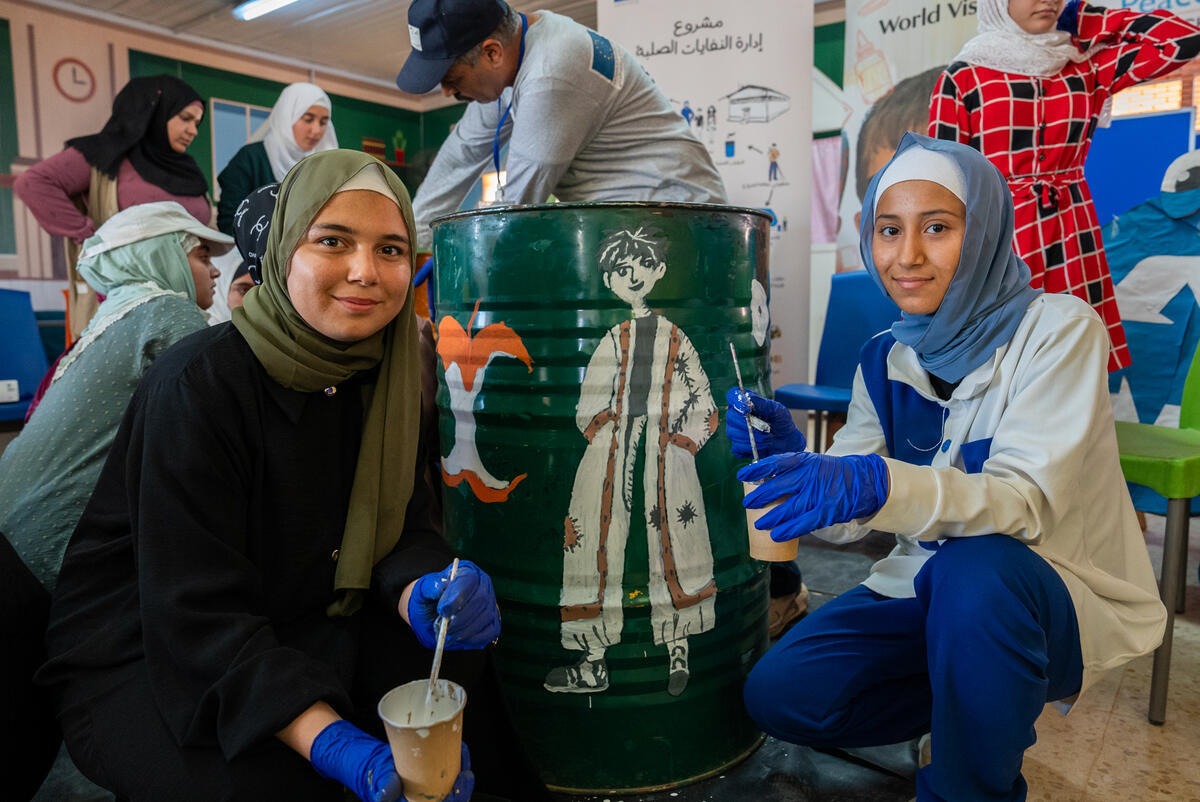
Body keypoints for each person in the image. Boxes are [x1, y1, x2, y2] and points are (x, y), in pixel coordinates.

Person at [37, 150, 519, 802]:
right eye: (333, 242)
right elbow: (195, 613)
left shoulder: (384, 372)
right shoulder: (199, 385)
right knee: (276, 782)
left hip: (301, 610)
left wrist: (422, 587)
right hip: (148, 650)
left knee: (459, 679)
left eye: (391, 250)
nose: (364, 272)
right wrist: (334, 745)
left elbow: (390, 524)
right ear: (286, 249)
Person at [732, 133, 1166, 801]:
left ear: (987, 230)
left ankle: (967, 783)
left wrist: (875, 483)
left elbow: (1021, 503)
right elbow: (853, 518)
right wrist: (808, 468)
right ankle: (963, 715)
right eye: (888, 230)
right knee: (780, 694)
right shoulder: (883, 357)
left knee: (975, 567)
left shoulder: (1058, 330)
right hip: (924, 592)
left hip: (1043, 596)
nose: (906, 256)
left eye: (937, 228)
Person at [929, 0, 1200, 373]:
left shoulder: (1084, 67)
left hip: (1071, 227)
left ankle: (1074, 432)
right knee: (998, 362)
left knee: (1074, 354)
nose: (1049, 0)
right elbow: (941, 181)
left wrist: (1086, 17)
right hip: (999, 232)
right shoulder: (964, 77)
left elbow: (1183, 39)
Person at [0, 202, 233, 592]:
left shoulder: (116, 313)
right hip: (51, 542)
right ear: (162, 255)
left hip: (13, 520)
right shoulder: (169, 310)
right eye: (202, 255)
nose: (214, 272)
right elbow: (215, 428)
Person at [395, 0, 726, 248]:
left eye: (451, 78)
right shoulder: (518, 58)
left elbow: (516, 210)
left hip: (678, 221)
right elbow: (460, 155)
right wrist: (408, 245)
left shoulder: (550, 73)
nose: (446, 91)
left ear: (492, 53)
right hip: (629, 222)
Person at [545, 228, 718, 698]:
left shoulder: (674, 336)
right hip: (612, 456)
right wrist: (611, 434)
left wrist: (682, 440)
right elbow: (590, 401)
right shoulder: (611, 339)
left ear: (659, 272)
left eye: (642, 267)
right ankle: (593, 660)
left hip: (667, 458)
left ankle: (677, 651)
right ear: (609, 281)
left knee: (672, 546)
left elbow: (702, 396)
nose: (633, 276)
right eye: (622, 271)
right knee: (598, 546)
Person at [14, 75, 211, 341]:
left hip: (186, 299)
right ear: (154, 110)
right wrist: (90, 237)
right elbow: (33, 183)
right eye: (186, 118)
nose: (193, 131)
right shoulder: (105, 153)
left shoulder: (187, 170)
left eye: (197, 123)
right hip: (124, 303)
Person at [216, 82, 337, 235]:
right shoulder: (251, 158)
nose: (316, 130)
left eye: (323, 122)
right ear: (286, 117)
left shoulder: (326, 167)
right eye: (308, 119)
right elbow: (230, 221)